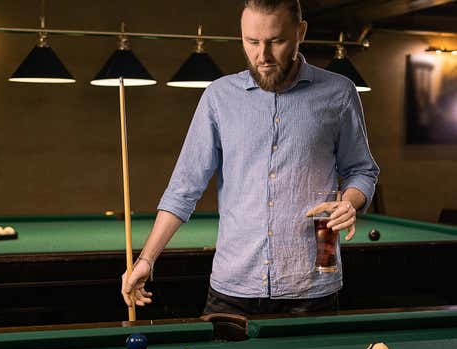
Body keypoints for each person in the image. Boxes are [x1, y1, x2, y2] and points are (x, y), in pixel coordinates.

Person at [121, 0, 379, 316]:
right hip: (232, 288)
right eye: (252, 42)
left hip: (310, 288)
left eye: (277, 41)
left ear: (300, 32)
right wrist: (146, 260)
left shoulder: (339, 92)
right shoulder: (218, 97)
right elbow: (183, 189)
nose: (263, 56)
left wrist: (349, 202)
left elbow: (362, 170)